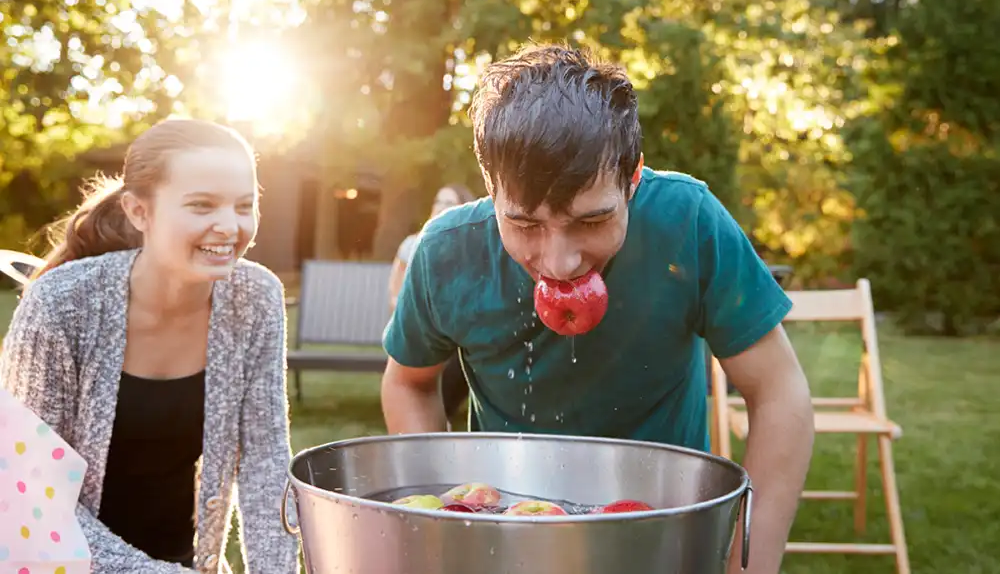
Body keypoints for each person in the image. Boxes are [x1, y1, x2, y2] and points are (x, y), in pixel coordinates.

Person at [380, 44, 815, 574]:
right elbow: (408, 382)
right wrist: (448, 517)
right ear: (491, 191)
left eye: (591, 222)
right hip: (505, 539)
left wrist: (748, 561)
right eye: (524, 225)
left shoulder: (690, 222)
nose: (559, 263)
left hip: (660, 533)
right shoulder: (446, 252)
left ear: (632, 180)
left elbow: (778, 391)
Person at [0, 119, 300, 574]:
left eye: (244, 205)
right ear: (139, 212)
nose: (229, 226)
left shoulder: (255, 298)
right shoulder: (61, 305)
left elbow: (265, 461)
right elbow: (30, 494)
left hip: (182, 562)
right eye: (202, 205)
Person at [387, 183, 476, 422]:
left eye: (449, 203)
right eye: (438, 201)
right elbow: (394, 293)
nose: (441, 207)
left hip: (457, 329)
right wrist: (415, 311)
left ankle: (441, 413)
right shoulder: (413, 244)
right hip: (418, 324)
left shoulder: (472, 247)